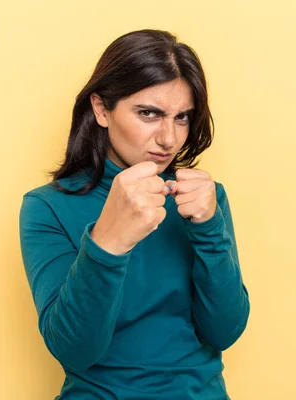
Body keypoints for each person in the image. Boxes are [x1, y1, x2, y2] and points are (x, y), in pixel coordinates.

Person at [19, 29, 250, 399]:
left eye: (182, 118)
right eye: (148, 113)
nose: (168, 139)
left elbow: (224, 332)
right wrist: (108, 241)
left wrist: (209, 229)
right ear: (101, 109)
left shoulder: (204, 198)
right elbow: (75, 350)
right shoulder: (48, 206)